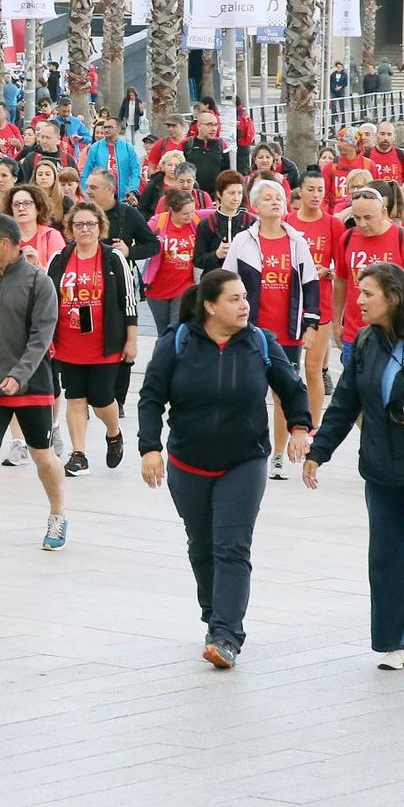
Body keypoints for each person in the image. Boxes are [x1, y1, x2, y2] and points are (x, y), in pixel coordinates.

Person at [291, 261, 404, 689]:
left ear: (392, 296)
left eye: (367, 294)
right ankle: (397, 640)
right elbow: (345, 404)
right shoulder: (367, 341)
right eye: (358, 293)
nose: (358, 301)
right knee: (387, 557)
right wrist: (319, 452)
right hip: (381, 469)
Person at [138, 268, 309, 668]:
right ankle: (215, 614)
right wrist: (150, 449)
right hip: (187, 462)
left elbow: (292, 387)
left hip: (243, 461)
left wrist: (300, 427)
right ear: (209, 306)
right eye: (233, 298)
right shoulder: (176, 343)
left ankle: (227, 634)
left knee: (231, 546)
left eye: (245, 297)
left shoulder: (261, 344)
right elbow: (150, 397)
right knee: (201, 546)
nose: (244, 304)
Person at [0, 215, 66, 555]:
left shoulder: (39, 282)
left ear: (6, 243)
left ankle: (57, 514)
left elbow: (42, 337)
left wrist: (19, 375)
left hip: (32, 388)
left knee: (43, 458)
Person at [224, 180, 320, 479]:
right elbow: (226, 281)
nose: (275, 202)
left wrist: (311, 323)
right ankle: (242, 448)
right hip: (250, 331)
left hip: (287, 332)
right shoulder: (243, 241)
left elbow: (311, 283)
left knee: (284, 393)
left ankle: (279, 454)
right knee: (244, 391)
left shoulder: (296, 241)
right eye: (267, 198)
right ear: (255, 206)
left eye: (278, 197)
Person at [47, 202, 138, 476]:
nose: (85, 229)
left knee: (101, 399)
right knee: (75, 396)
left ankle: (113, 432)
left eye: (90, 224)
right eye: (79, 224)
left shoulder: (112, 258)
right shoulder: (60, 259)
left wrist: (131, 340)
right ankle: (79, 454)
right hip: (68, 342)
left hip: (105, 342)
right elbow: (48, 299)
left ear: (100, 227)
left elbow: (129, 301)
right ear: (70, 229)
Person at [333, 186, 404, 371]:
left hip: (393, 334)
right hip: (354, 334)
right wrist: (336, 322)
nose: (361, 224)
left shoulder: (403, 238)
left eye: (368, 218)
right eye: (356, 218)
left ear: (383, 212)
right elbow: (340, 282)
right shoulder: (347, 238)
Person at [284, 171, 344, 419]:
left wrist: (327, 272)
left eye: (320, 189)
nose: (316, 195)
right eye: (311, 189)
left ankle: (313, 424)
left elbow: (343, 269)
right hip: (288, 303)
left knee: (313, 368)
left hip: (321, 304)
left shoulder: (333, 224)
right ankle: (289, 419)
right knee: (288, 369)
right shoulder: (287, 221)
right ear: (300, 191)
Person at [142, 190, 202, 335]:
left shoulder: (195, 221)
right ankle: (161, 356)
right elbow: (142, 241)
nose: (189, 216)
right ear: (172, 210)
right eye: (185, 213)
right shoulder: (158, 223)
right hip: (157, 287)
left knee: (177, 330)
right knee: (163, 333)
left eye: (192, 211)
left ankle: (177, 356)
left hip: (184, 286)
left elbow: (216, 214)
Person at [197, 172, 251, 265]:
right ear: (219, 194)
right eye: (232, 193)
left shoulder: (250, 221)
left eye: (240, 193)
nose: (236, 198)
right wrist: (216, 255)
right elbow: (198, 260)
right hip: (215, 277)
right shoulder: (206, 224)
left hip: (243, 277)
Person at [82, 116, 140, 201]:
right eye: (105, 127)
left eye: (110, 127)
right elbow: (86, 171)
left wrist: (133, 190)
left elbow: (135, 171)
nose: (106, 130)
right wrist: (85, 191)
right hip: (100, 195)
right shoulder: (95, 147)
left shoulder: (128, 148)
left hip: (122, 196)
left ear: (118, 129)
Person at [183, 112, 233, 194]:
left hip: (215, 196)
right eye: (209, 125)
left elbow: (226, 173)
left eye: (215, 125)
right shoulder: (187, 144)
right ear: (199, 126)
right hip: (191, 195)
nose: (213, 129)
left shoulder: (221, 145)